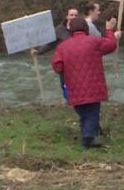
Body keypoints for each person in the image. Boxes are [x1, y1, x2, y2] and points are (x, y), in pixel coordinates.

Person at [51, 18, 119, 149]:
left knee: (83, 113)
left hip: (74, 87)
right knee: (92, 113)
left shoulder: (63, 46)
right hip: (93, 86)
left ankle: (87, 136)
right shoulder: (93, 42)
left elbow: (57, 67)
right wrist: (109, 30)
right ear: (86, 28)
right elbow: (111, 44)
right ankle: (87, 140)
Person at [30, 7, 80, 101]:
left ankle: (78, 101)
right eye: (71, 15)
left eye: (76, 15)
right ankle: (68, 101)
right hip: (65, 63)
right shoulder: (60, 29)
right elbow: (51, 44)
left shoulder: (82, 29)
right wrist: (38, 51)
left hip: (79, 62)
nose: (73, 17)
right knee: (65, 86)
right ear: (67, 17)